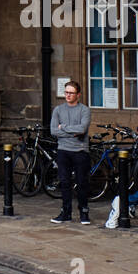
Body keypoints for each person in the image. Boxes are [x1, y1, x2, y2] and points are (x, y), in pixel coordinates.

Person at [50, 80, 92, 225]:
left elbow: (82, 129)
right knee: (64, 182)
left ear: (78, 95)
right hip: (63, 151)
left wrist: (63, 127)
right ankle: (66, 212)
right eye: (66, 92)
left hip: (80, 151)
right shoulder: (58, 110)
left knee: (81, 183)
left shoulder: (84, 110)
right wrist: (70, 131)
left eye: (71, 93)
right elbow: (53, 131)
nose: (68, 95)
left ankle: (84, 213)